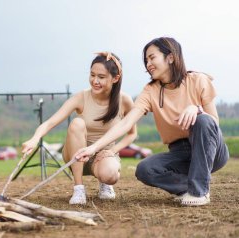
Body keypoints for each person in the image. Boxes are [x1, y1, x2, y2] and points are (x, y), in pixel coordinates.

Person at [75, 37, 230, 206]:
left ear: (170, 57)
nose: (148, 64)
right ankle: (192, 185)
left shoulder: (198, 80)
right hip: (180, 152)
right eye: (146, 60)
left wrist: (197, 109)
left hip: (211, 150)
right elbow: (126, 123)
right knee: (145, 169)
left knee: (203, 121)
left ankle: (199, 192)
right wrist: (93, 148)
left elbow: (213, 122)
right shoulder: (150, 91)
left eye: (152, 57)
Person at [22, 52, 137, 205]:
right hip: (76, 155)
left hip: (103, 155)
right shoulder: (81, 97)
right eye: (92, 75)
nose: (95, 81)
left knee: (110, 175)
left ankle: (105, 183)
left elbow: (132, 134)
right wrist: (34, 139)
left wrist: (112, 151)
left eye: (101, 77)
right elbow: (50, 123)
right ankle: (78, 188)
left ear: (115, 78)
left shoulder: (125, 100)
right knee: (77, 123)